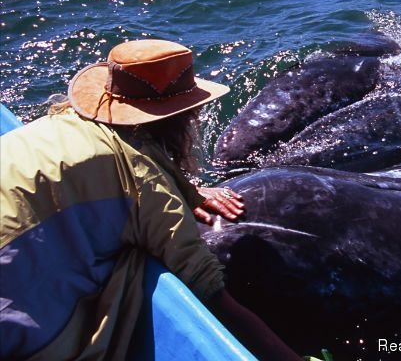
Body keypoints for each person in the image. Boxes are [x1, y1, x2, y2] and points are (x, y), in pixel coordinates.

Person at [0, 39, 301, 360]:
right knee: (133, 260)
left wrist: (183, 189)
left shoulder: (54, 125)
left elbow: (111, 163)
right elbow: (210, 293)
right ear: (182, 118)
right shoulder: (146, 183)